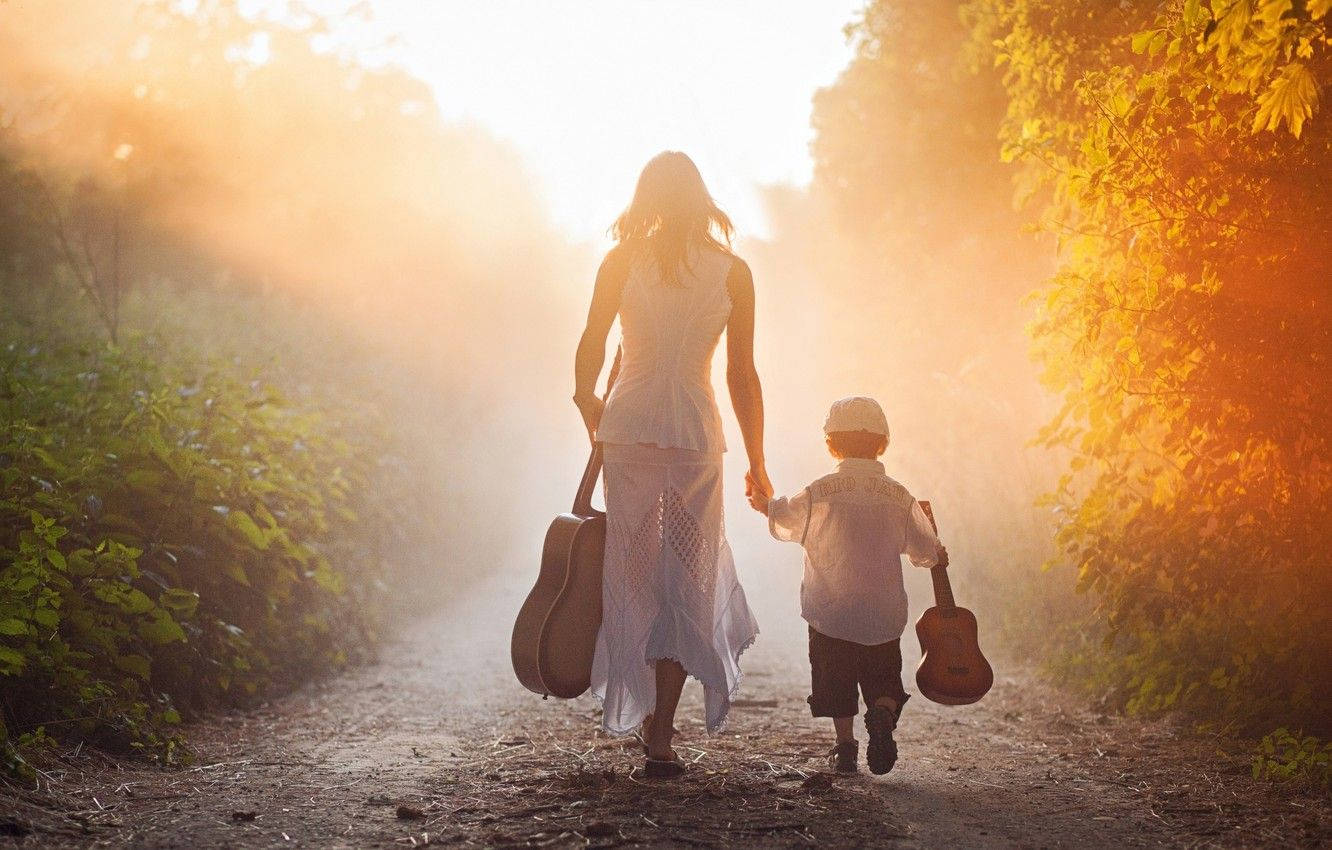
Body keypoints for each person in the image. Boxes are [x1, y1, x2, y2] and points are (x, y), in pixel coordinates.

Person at [573, 151, 767, 779]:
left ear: (646, 197)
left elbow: (587, 354)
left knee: (631, 577)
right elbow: (742, 376)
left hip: (627, 436)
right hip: (694, 438)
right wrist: (757, 461)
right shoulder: (733, 273)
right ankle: (661, 734)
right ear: (702, 198)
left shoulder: (619, 263)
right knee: (688, 576)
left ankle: (640, 712)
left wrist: (597, 417)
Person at [746, 396, 947, 775]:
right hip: (882, 612)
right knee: (883, 675)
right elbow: (925, 549)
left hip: (831, 610)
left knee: (835, 680)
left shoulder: (820, 491)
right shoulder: (900, 496)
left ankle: (845, 748)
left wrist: (764, 504)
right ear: (881, 443)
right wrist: (937, 554)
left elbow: (787, 518)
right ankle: (883, 715)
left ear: (832, 443)